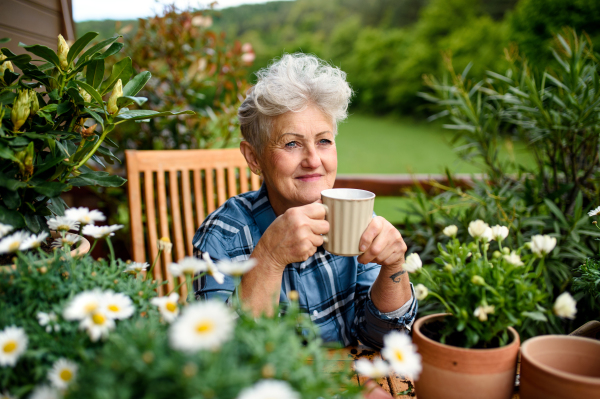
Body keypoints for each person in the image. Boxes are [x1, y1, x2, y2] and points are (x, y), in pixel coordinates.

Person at [192, 53, 416, 349]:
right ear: (254, 158)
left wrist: (394, 268)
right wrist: (270, 258)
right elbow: (216, 354)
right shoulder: (222, 236)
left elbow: (383, 339)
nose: (313, 160)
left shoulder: (354, 217)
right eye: (292, 143)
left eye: (324, 141)